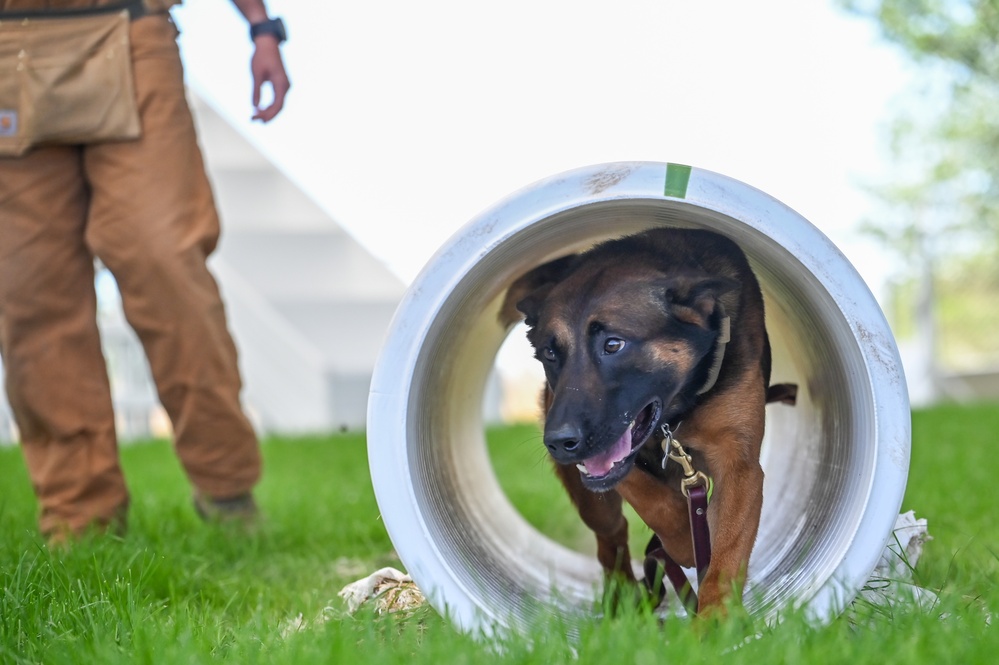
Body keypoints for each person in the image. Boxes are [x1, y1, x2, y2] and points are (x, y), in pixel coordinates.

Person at [0, 0, 291, 541]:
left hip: (131, 33)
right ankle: (78, 523)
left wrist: (261, 27)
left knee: (166, 263)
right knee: (31, 297)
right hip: (6, 46)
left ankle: (228, 491)